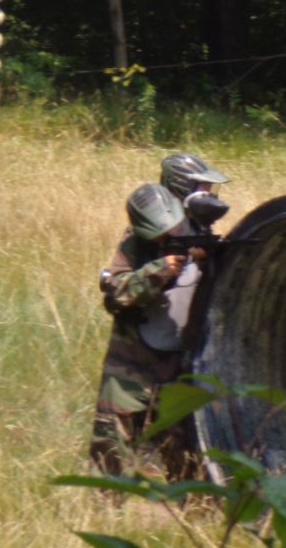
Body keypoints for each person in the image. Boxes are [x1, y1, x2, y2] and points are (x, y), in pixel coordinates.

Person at [90, 153, 231, 477]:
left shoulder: (200, 230)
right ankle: (105, 500)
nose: (209, 193)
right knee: (113, 440)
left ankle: (188, 502)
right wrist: (160, 270)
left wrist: (210, 262)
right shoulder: (141, 236)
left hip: (180, 356)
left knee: (184, 447)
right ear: (183, 187)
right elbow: (117, 294)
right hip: (133, 356)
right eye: (203, 186)